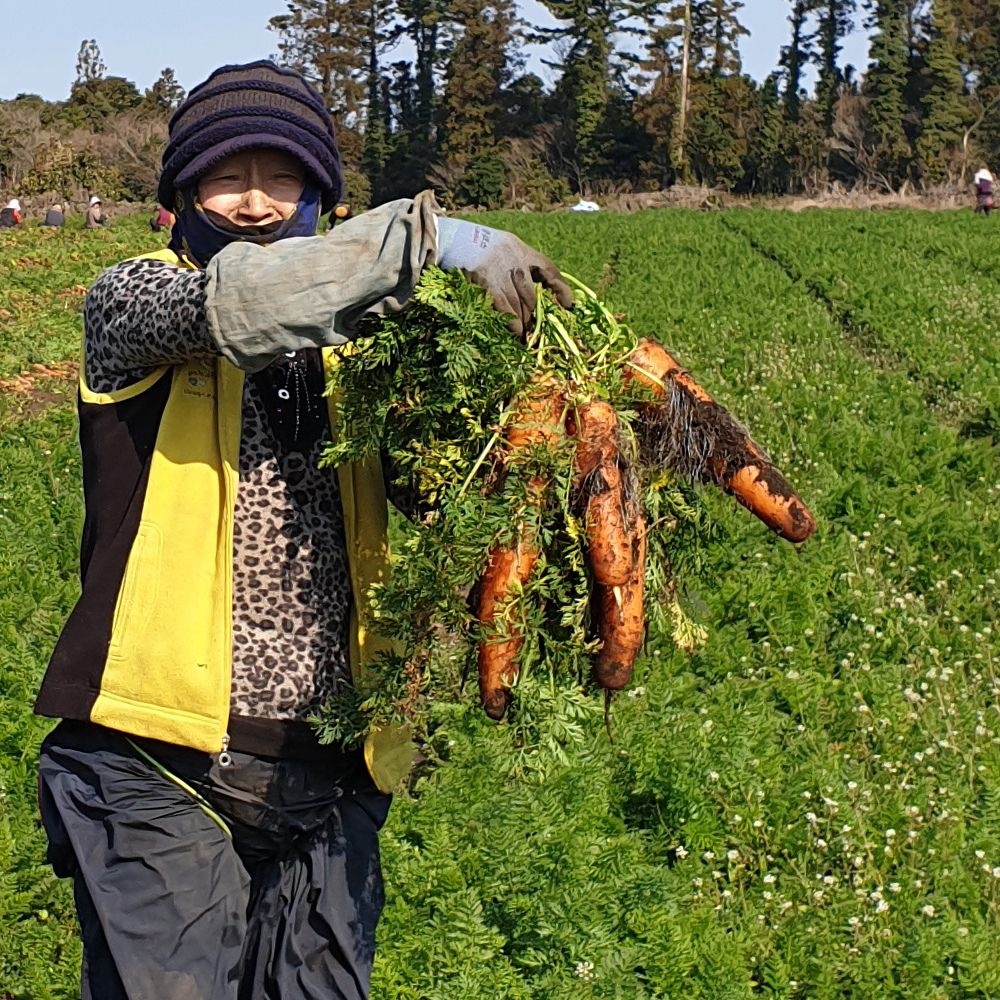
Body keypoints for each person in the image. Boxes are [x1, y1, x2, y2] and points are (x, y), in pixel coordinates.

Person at [33, 60, 572, 1000]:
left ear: (319, 191)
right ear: (182, 192)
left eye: (283, 177)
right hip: (159, 763)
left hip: (330, 764)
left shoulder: (364, 344)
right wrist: (440, 241)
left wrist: (526, 415)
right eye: (226, 176)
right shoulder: (132, 302)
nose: (253, 202)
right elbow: (247, 300)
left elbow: (439, 488)